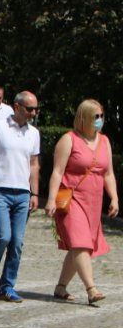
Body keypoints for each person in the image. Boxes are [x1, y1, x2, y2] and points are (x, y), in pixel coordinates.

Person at [45, 99, 118, 305]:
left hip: (94, 201)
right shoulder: (68, 140)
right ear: (83, 118)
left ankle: (60, 288)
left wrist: (114, 197)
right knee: (80, 242)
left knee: (79, 247)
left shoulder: (104, 141)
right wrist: (50, 199)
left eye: (102, 116)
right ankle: (91, 289)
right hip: (72, 199)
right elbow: (57, 172)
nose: (100, 120)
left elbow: (108, 173)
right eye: (96, 116)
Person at [0, 91, 41, 302]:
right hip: (0, 189)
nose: (33, 113)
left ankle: (7, 286)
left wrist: (35, 192)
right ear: (16, 107)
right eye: (29, 108)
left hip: (22, 193)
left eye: (35, 109)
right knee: (3, 237)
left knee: (17, 242)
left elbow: (34, 164)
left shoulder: (34, 133)